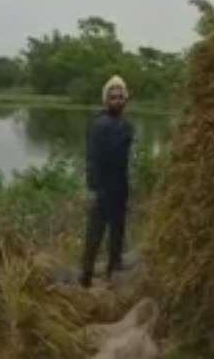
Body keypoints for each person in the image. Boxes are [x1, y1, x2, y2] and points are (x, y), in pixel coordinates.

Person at [80, 75, 135, 288]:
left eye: (121, 97)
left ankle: (114, 268)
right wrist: (93, 188)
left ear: (126, 100)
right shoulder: (99, 125)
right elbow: (92, 159)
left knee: (118, 230)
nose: (117, 100)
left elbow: (126, 159)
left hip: (120, 185)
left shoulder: (127, 126)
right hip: (103, 186)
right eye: (113, 97)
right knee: (95, 230)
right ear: (106, 100)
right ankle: (86, 274)